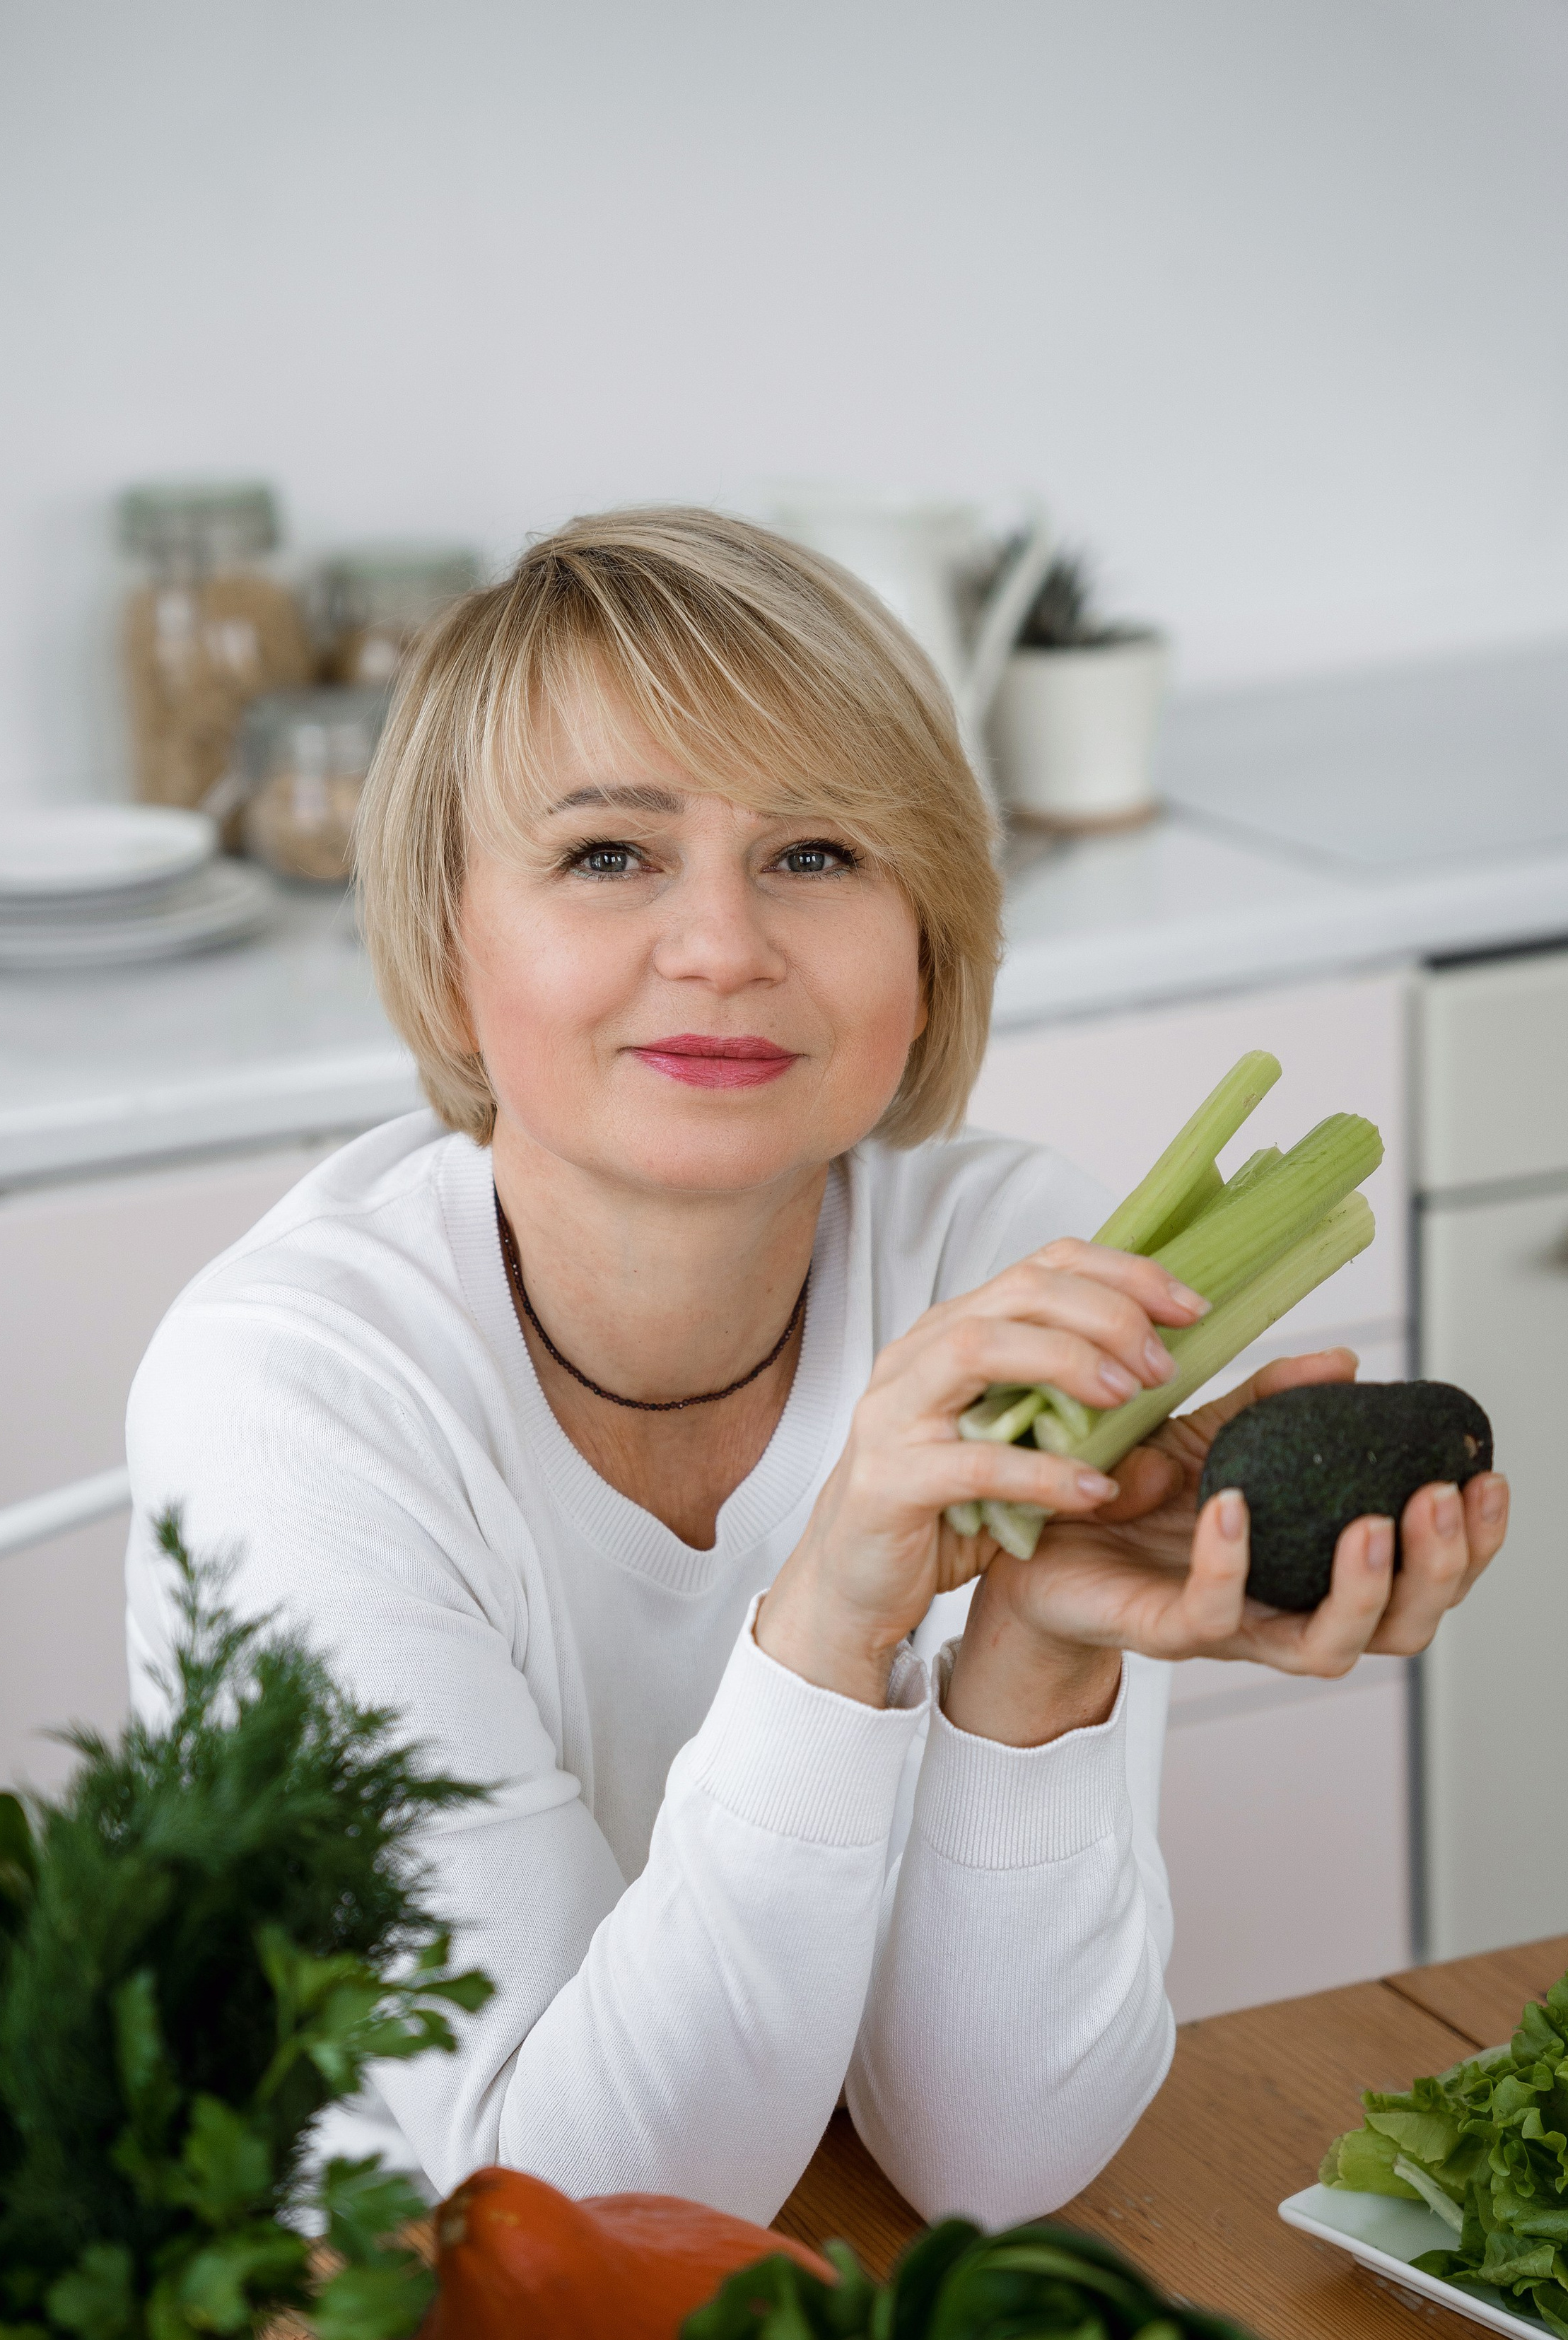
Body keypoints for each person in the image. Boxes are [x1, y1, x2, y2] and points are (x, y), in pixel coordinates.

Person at [125, 508, 1506, 2229]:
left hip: (828, 2273)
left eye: (815, 856)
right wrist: (827, 1614)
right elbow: (570, 2211)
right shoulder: (290, 1394)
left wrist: (1030, 1658)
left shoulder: (1015, 1280)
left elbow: (987, 2168)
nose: (720, 946)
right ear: (448, 948)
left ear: (925, 964)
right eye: (609, 856)